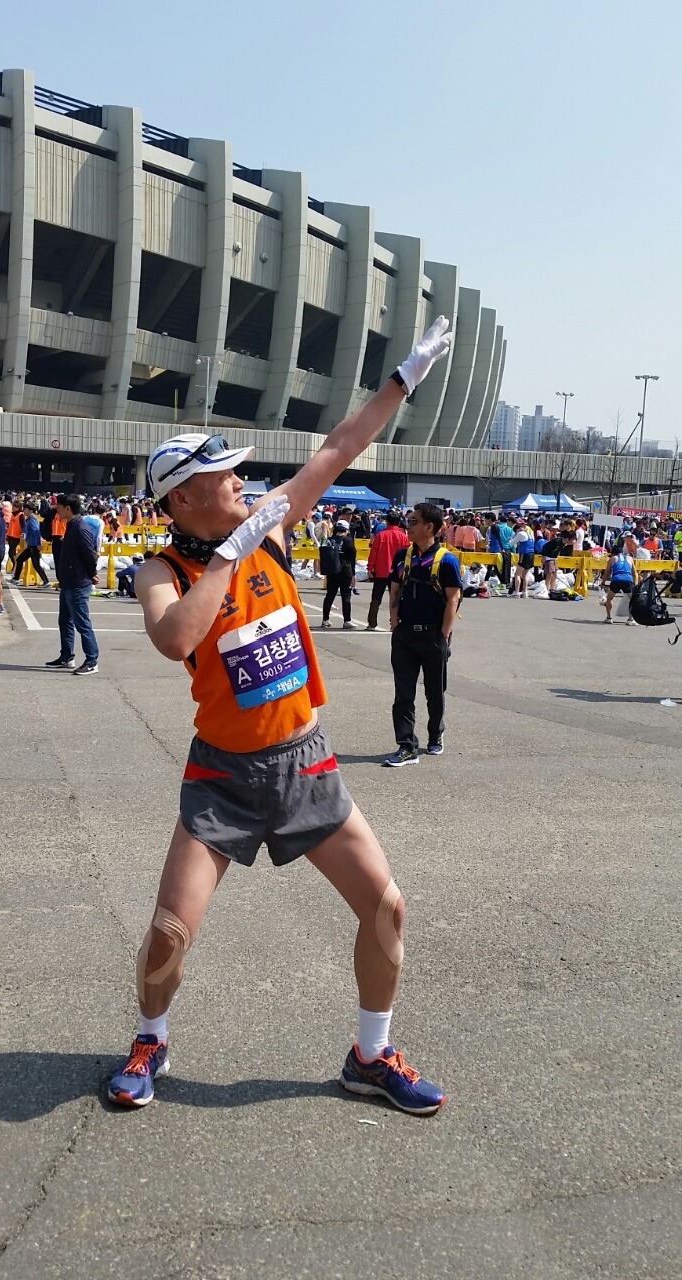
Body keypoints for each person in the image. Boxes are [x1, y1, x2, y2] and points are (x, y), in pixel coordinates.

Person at [106, 314, 453, 1116]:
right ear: (182, 497)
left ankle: (371, 1055)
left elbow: (339, 447)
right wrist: (228, 559)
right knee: (169, 933)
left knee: (387, 907)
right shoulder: (161, 569)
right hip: (222, 776)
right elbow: (175, 638)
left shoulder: (268, 523)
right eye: (223, 475)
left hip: (305, 762)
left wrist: (405, 378)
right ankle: (150, 1039)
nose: (241, 481)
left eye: (238, 472)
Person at [383, 503, 461, 767]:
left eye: (414, 521)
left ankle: (435, 734)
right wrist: (395, 622)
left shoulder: (446, 561)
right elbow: (394, 590)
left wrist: (444, 634)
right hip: (405, 635)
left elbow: (453, 600)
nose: (409, 525)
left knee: (434, 691)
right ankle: (406, 746)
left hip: (433, 636)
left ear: (430, 527)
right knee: (403, 694)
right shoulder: (402, 556)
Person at [45, 494, 100, 673]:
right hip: (68, 582)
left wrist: (92, 574)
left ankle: (92, 661)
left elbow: (90, 554)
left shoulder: (80, 528)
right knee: (65, 621)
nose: (57, 511)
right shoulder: (70, 525)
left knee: (82, 623)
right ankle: (67, 656)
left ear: (68, 508)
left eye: (59, 508)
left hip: (77, 583)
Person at [365, 510, 409, 630]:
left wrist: (370, 568)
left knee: (376, 598)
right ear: (399, 523)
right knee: (396, 599)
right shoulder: (403, 537)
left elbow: (373, 553)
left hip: (381, 570)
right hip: (398, 572)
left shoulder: (380, 535)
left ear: (387, 522)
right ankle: (394, 623)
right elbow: (407, 555)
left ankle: (372, 622)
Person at [320, 519, 357, 629]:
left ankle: (325, 619)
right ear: (346, 530)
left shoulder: (330, 540)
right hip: (345, 571)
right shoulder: (348, 540)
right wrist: (353, 574)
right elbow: (352, 558)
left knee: (330, 595)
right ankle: (347, 620)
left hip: (332, 571)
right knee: (346, 596)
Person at [11, 504, 51, 587]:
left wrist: (38, 544)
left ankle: (46, 582)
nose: (24, 511)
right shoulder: (30, 519)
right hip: (31, 545)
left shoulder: (32, 519)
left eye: (26, 509)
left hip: (34, 546)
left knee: (34, 564)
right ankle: (16, 579)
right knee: (23, 561)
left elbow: (36, 531)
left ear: (31, 511)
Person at [602, 546, 638, 624]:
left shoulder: (612, 559)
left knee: (609, 598)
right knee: (632, 600)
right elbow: (635, 573)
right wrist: (635, 584)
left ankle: (609, 618)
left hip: (616, 579)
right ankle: (631, 619)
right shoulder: (630, 558)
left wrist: (603, 583)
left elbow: (607, 573)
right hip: (628, 579)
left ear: (613, 553)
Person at [510, 521, 535, 597]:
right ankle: (525, 592)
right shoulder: (530, 533)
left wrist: (511, 539)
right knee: (525, 575)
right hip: (531, 554)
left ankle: (517, 592)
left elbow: (511, 543)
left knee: (517, 574)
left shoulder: (520, 534)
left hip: (524, 554)